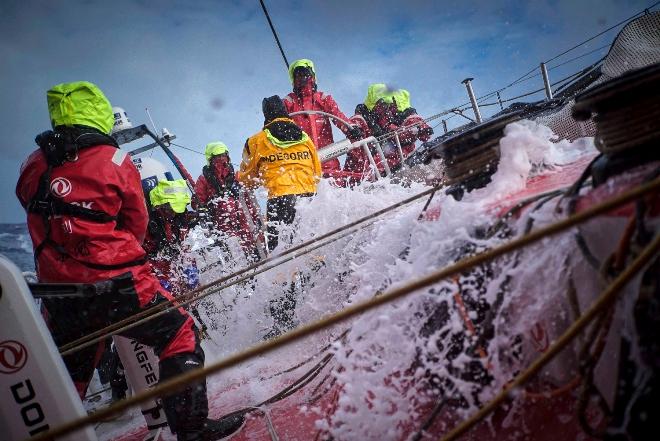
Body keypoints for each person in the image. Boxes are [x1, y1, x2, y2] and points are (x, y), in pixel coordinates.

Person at [16, 81, 244, 441]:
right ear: (99, 114)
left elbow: (28, 202)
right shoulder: (116, 160)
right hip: (118, 285)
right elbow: (136, 222)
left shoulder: (32, 165)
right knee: (179, 333)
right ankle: (192, 431)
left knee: (70, 373)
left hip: (58, 293)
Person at [239, 95, 321, 337]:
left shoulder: (255, 141)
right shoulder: (305, 137)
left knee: (281, 261)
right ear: (286, 111)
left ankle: (284, 321)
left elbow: (247, 178)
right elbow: (317, 172)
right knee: (313, 253)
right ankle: (319, 302)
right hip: (310, 199)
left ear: (265, 115)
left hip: (281, 202)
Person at [283, 58, 362, 177]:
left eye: (305, 73)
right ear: (294, 79)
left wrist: (351, 128)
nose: (302, 77)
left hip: (327, 160)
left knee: (335, 187)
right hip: (301, 162)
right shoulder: (288, 102)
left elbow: (338, 116)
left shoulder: (323, 99)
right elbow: (277, 122)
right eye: (298, 75)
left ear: (312, 75)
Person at [194, 142, 264, 262]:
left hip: (244, 221)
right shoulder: (204, 180)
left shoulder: (235, 175)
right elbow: (197, 202)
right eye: (218, 157)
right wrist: (203, 211)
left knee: (257, 250)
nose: (221, 159)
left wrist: (256, 217)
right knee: (236, 255)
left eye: (223, 155)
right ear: (211, 159)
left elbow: (248, 199)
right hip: (222, 224)